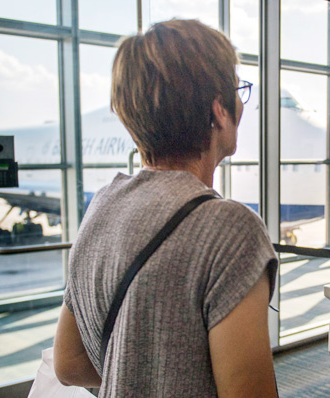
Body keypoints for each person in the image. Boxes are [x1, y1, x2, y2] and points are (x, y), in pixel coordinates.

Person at [53, 20, 279, 397]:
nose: (241, 104)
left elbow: (68, 362)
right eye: (237, 91)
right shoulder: (230, 230)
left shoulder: (103, 206)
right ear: (219, 110)